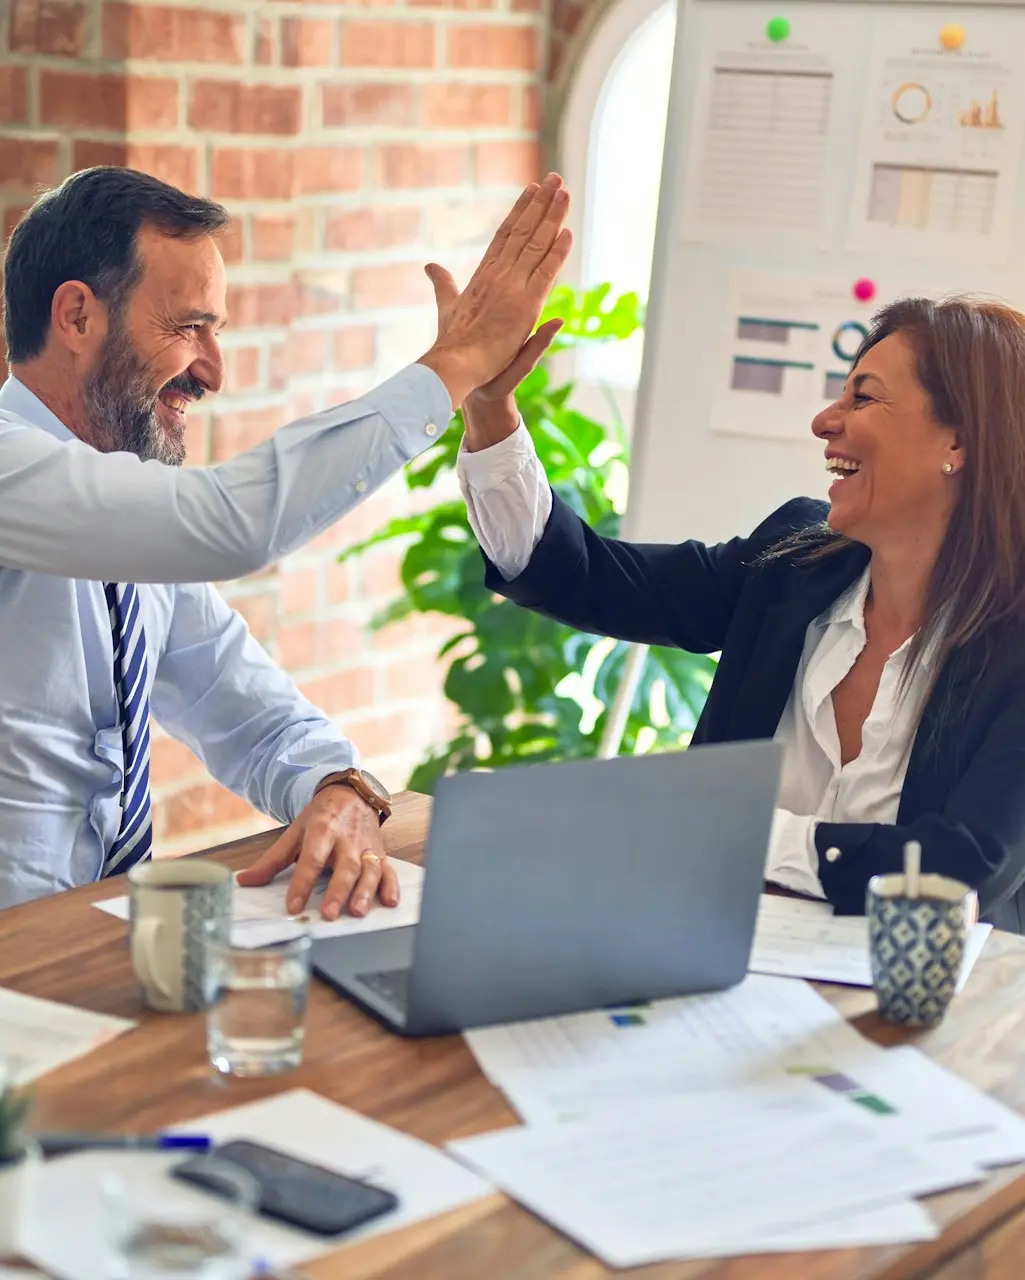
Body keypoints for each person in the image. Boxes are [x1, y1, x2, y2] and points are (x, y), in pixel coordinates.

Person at [0, 165, 570, 915]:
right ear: (76, 317)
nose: (213, 371)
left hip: (92, 938)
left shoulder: (125, 523)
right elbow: (231, 524)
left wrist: (339, 788)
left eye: (216, 331)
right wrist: (453, 366)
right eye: (187, 327)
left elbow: (248, 712)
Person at [455, 295, 1025, 933]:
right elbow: (584, 575)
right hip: (723, 973)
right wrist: (487, 406)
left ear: (961, 440)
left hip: (930, 1013)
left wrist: (737, 834)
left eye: (863, 398)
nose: (824, 421)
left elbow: (963, 869)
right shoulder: (793, 561)